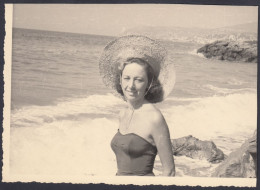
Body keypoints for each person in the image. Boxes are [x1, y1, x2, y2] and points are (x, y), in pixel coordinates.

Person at [99, 35, 176, 176]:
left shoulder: (154, 117)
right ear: (120, 80)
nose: (131, 86)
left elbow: (169, 171)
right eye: (127, 78)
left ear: (149, 83)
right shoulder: (123, 113)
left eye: (138, 80)